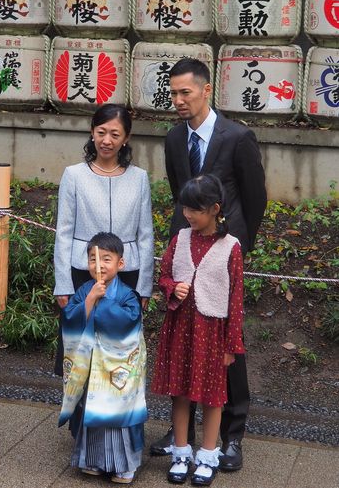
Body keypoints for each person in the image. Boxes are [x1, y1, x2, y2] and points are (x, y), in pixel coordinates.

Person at [150, 58, 267, 472]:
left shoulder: (237, 137)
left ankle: (231, 436)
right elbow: (178, 192)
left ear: (206, 89)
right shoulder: (173, 138)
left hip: (222, 254)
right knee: (185, 340)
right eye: (174, 93)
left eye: (186, 92)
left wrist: (236, 245)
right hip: (185, 252)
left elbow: (255, 199)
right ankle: (182, 433)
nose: (179, 100)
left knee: (224, 343)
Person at [151, 175, 245, 486]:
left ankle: (207, 455)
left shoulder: (231, 248)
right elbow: (164, 275)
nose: (188, 215)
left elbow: (235, 300)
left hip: (212, 332)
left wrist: (231, 345)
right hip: (181, 329)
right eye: (185, 208)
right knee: (179, 391)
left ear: (215, 209)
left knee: (212, 396)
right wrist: (172, 288)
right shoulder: (180, 239)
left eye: (196, 210)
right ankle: (181, 452)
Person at [58, 232, 148, 485]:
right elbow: (70, 318)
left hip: (117, 369)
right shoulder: (85, 290)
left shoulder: (127, 294)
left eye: (106, 259)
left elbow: (130, 321)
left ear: (121, 264)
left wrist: (105, 300)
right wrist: (89, 299)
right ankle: (94, 461)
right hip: (93, 368)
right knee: (93, 411)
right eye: (93, 260)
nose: (99, 266)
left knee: (120, 415)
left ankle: (125, 465)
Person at [53, 103, 154, 315]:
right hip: (82, 268)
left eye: (115, 134)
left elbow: (145, 235)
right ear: (92, 132)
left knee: (120, 340)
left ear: (126, 138)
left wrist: (144, 286)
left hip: (126, 270)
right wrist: (63, 283)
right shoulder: (74, 175)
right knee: (79, 337)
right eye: (101, 132)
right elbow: (63, 232)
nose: (107, 141)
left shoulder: (139, 178)